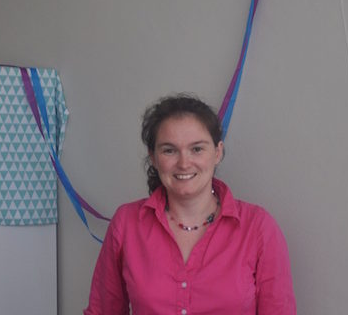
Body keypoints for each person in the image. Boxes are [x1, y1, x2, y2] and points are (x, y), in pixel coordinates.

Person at [84, 93, 296, 314]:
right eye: (169, 150)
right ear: (153, 158)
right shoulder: (126, 224)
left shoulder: (258, 228)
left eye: (197, 149)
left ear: (217, 153)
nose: (184, 163)